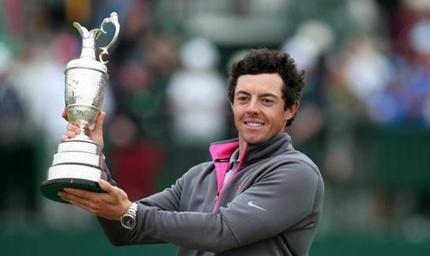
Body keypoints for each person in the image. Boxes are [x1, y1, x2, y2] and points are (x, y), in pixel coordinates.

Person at [59, 48, 324, 255]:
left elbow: (222, 231)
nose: (252, 108)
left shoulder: (297, 173)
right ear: (231, 104)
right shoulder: (199, 176)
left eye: (267, 100)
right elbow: (126, 230)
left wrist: (130, 212)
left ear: (290, 109)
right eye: (243, 98)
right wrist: (93, 158)